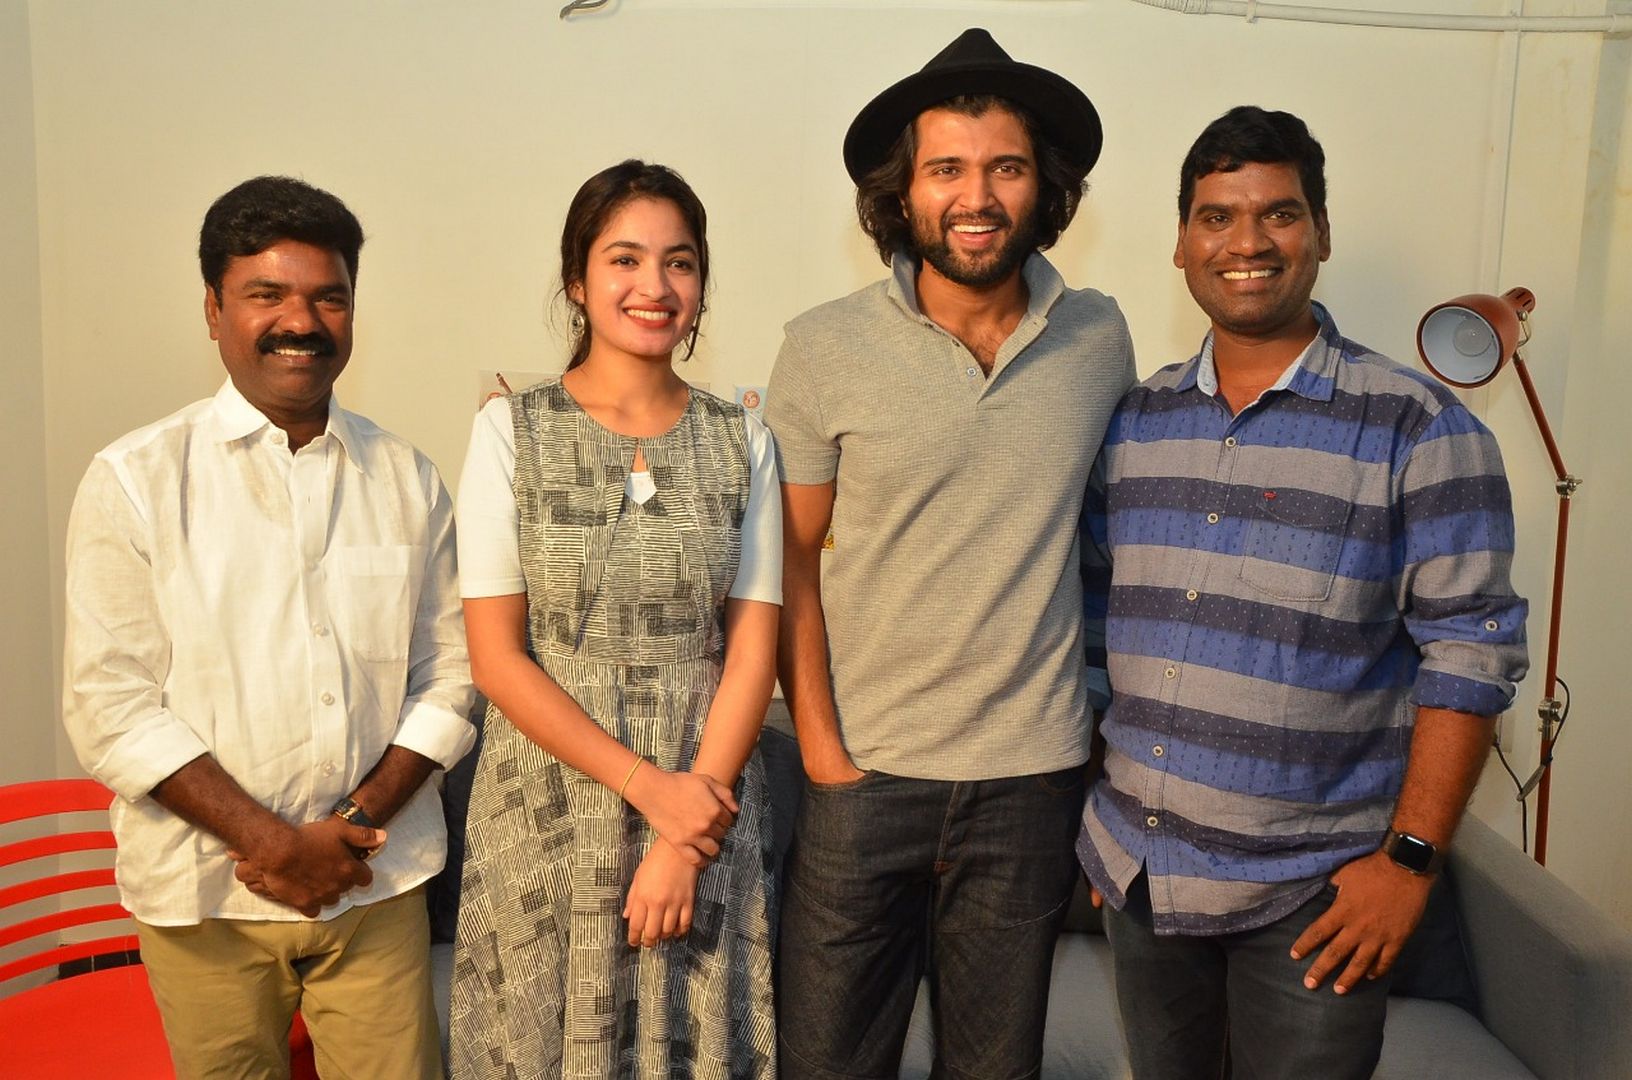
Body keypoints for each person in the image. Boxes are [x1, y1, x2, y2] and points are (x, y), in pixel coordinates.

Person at [1077, 105, 1530, 1079]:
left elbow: (1472, 653)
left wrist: (1409, 863)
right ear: (1182, 243)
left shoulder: (1420, 429)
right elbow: (1096, 625)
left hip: (1313, 903)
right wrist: (1095, 821)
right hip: (1142, 880)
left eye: (1277, 214)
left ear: (1319, 233)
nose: (1246, 242)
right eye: (1216, 217)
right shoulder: (1136, 424)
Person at [765, 27, 1136, 1080]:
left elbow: (1114, 546)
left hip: (1030, 782)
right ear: (905, 192)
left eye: (1005, 167)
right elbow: (790, 563)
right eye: (946, 170)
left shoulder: (1099, 339)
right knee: (827, 1065)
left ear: (1043, 186)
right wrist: (825, 754)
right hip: (864, 775)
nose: (976, 196)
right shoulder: (822, 346)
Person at [62, 175, 475, 1078]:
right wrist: (273, 844)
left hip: (375, 882)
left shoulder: (407, 479)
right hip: (204, 895)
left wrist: (350, 825)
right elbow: (111, 706)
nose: (302, 321)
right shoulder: (135, 480)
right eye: (267, 294)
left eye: (329, 297)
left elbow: (449, 677)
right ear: (214, 309)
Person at [448, 160, 782, 1078]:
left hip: (706, 792)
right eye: (625, 259)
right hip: (547, 796)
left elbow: (752, 652)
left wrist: (683, 829)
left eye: (680, 262)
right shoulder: (509, 431)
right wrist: (647, 788)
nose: (654, 285)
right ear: (577, 280)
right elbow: (497, 660)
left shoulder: (744, 438)